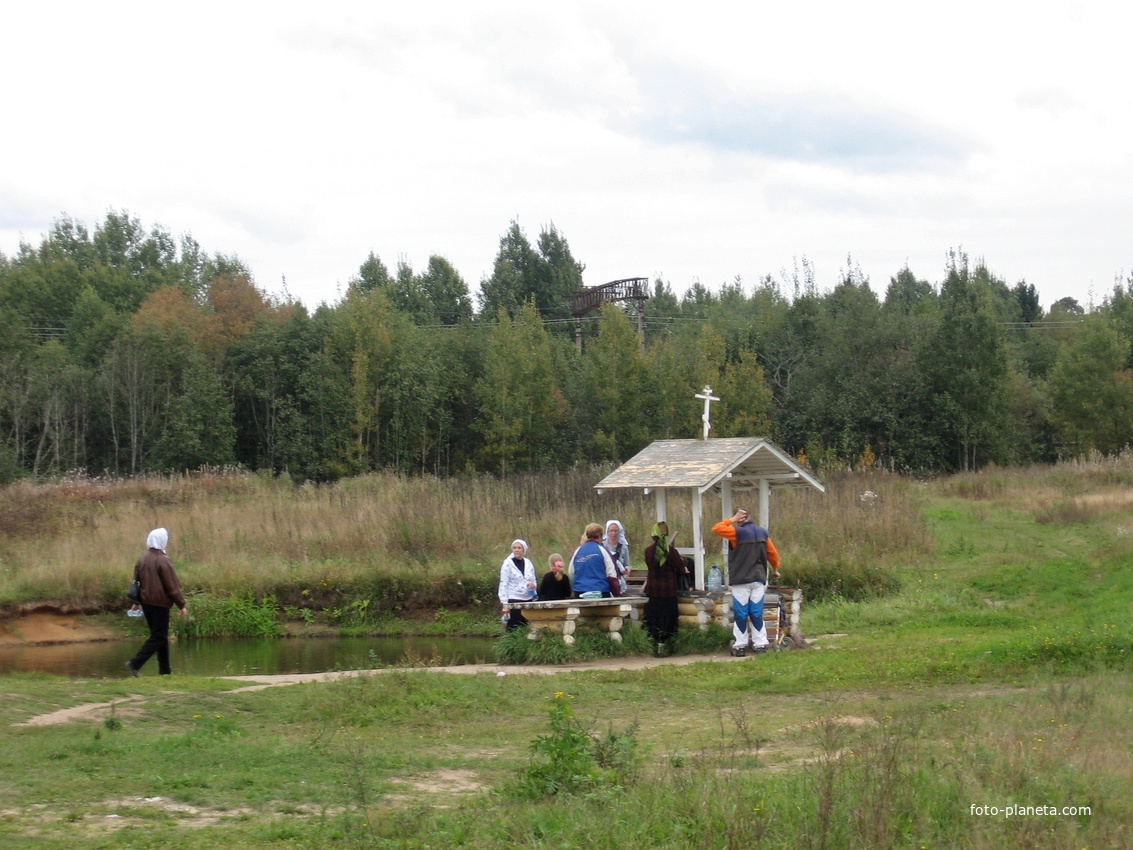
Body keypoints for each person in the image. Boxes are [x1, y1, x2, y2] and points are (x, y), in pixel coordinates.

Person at [711, 508, 781, 657]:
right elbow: (772, 553)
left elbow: (716, 528)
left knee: (741, 613)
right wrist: (775, 569)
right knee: (756, 612)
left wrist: (732, 519)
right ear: (749, 516)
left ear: (740, 518)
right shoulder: (762, 532)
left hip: (741, 580)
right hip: (759, 579)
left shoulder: (737, 533)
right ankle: (760, 644)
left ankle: (740, 645)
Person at [125, 527, 188, 676]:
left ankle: (165, 672)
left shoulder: (142, 558)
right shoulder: (163, 560)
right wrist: (182, 605)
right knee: (158, 636)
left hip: (146, 603)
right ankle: (135, 663)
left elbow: (137, 582)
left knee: (160, 636)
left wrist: (137, 602)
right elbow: (172, 586)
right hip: (160, 604)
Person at [642, 521, 689, 647]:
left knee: (654, 619)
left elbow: (652, 565)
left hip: (653, 590)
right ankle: (668, 645)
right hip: (668, 591)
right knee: (669, 620)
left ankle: (654, 644)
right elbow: (680, 569)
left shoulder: (648, 551)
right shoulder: (672, 552)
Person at [568, 523, 621, 597]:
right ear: (600, 535)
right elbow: (612, 575)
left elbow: (571, 572)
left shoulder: (577, 551)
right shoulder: (604, 550)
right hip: (601, 592)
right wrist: (617, 595)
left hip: (580, 592)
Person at [498, 539, 537, 631]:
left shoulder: (528, 562)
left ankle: (523, 642)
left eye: (519, 548)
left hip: (528, 597)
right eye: (514, 548)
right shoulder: (507, 564)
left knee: (525, 622)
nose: (516, 550)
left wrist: (533, 585)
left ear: (523, 550)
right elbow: (504, 583)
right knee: (513, 623)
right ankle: (510, 641)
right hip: (514, 597)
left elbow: (533, 579)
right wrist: (504, 602)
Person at [603, 519, 631, 595]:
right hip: (606, 578)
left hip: (619, 578)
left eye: (616, 531)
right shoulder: (602, 546)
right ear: (607, 531)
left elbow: (626, 563)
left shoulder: (623, 547)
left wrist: (627, 568)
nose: (613, 533)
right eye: (611, 531)